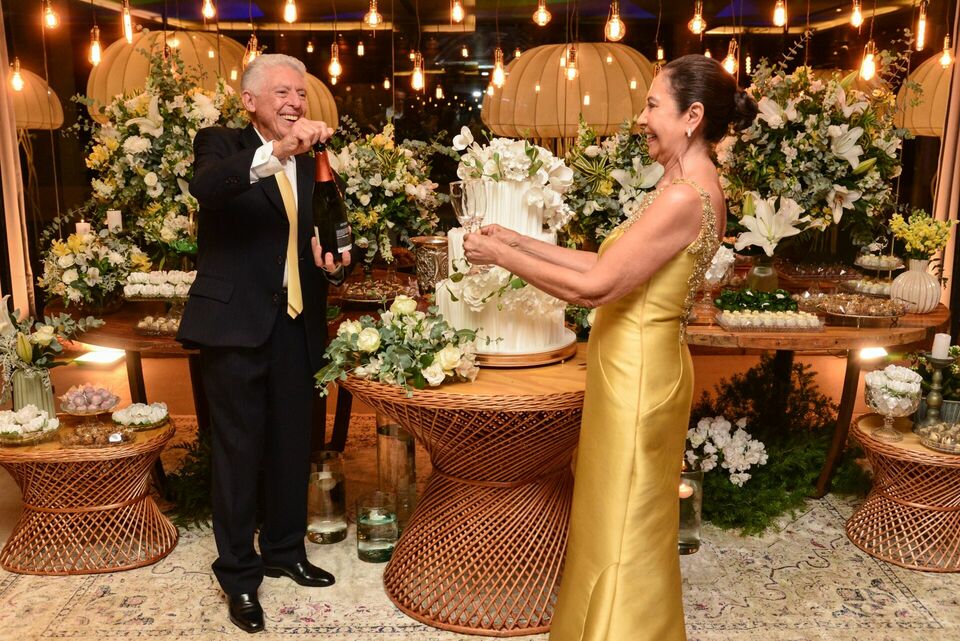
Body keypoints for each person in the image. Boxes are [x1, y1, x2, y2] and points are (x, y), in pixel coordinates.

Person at [463, 55, 758, 641]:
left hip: (640, 377)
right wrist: (519, 240)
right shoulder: (678, 185)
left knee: (626, 524)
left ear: (692, 116)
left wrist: (501, 257)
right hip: (630, 367)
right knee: (609, 515)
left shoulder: (685, 197)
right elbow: (608, 263)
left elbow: (596, 287)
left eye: (652, 105)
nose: (642, 118)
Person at [177, 53, 352, 634]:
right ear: (249, 100)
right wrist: (279, 150)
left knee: (292, 445)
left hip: (297, 323)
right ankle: (239, 577)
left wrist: (337, 260)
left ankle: (284, 551)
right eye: (283, 93)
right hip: (236, 325)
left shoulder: (314, 159)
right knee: (238, 452)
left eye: (301, 94)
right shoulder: (221, 144)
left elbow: (329, 231)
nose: (296, 103)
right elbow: (208, 189)